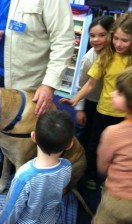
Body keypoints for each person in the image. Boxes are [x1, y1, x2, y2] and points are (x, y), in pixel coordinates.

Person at [0, 0, 74, 179]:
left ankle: (9, 162)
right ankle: (0, 146)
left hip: (27, 80)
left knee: (20, 128)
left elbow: (63, 41)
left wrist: (49, 84)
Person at [59, 12, 132, 189]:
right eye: (116, 39)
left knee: (122, 149)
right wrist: (75, 100)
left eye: (125, 40)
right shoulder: (107, 55)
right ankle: (91, 176)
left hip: (126, 115)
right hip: (104, 110)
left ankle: (110, 178)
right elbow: (90, 83)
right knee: (94, 146)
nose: (118, 44)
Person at [0, 110, 73, 224]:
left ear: (33, 137)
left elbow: (12, 210)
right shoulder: (67, 166)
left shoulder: (24, 176)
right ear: (70, 144)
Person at [74, 16, 115, 190]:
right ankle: (83, 170)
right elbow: (81, 84)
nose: (95, 40)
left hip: (111, 106)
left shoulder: (118, 56)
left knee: (106, 139)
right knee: (88, 137)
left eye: (101, 35)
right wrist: (80, 109)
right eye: (92, 35)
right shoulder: (89, 58)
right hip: (91, 101)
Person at [92, 67, 132, 223]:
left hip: (117, 200)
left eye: (119, 92)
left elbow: (102, 168)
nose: (112, 93)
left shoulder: (113, 132)